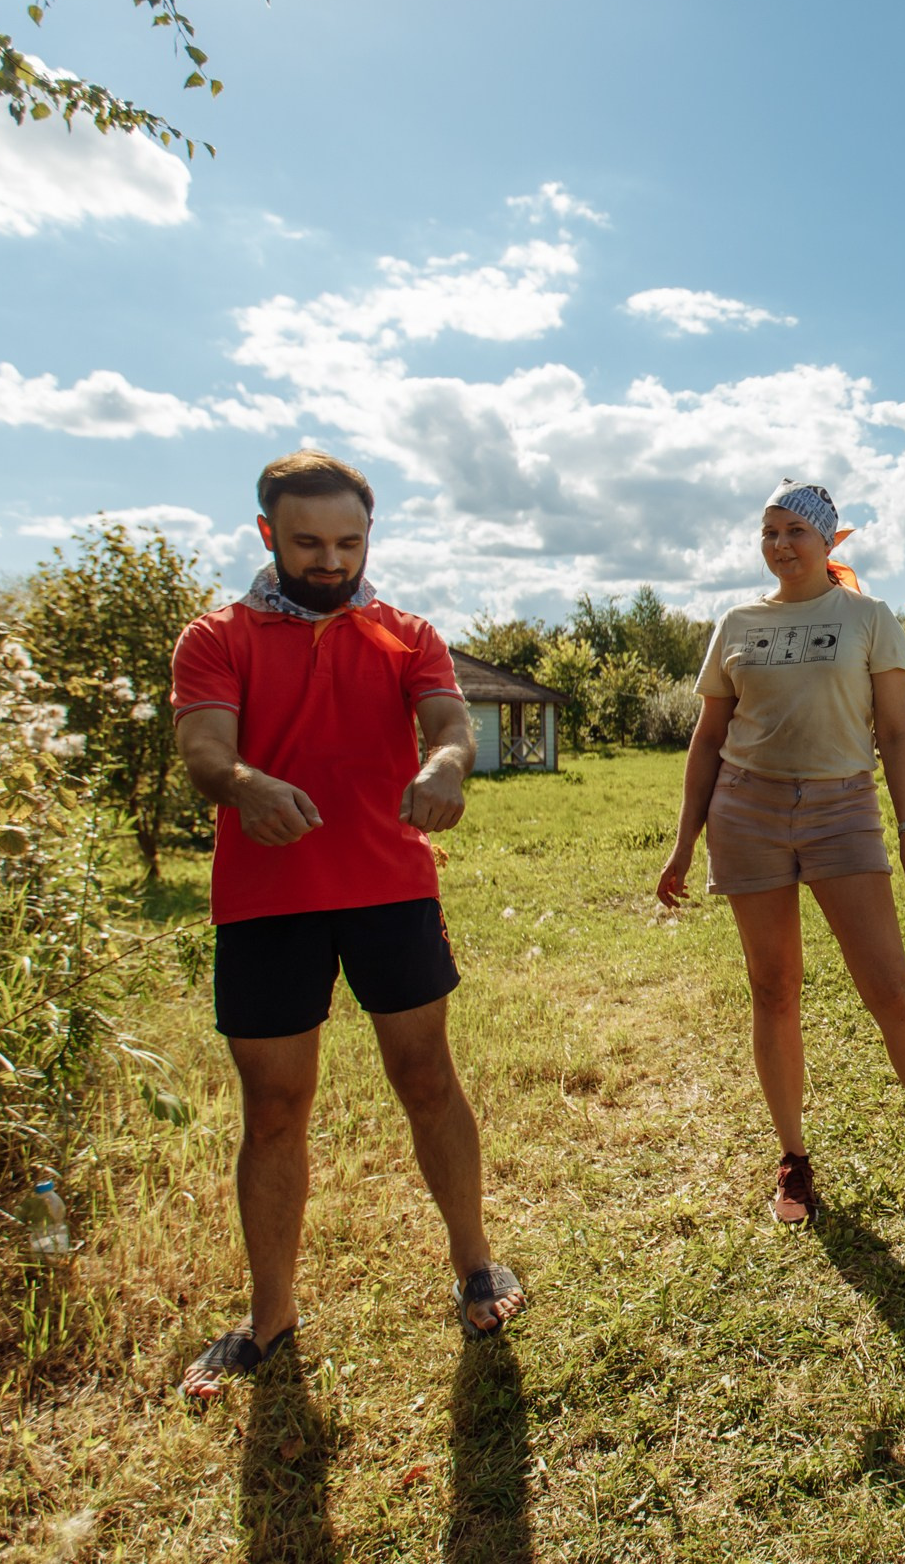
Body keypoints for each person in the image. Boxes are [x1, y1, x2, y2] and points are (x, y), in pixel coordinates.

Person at [170, 450, 526, 1401]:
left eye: (349, 542)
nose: (330, 561)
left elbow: (448, 722)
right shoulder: (216, 636)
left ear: (369, 538)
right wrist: (244, 784)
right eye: (308, 542)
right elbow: (205, 749)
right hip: (266, 901)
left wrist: (447, 765)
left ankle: (475, 1264)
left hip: (388, 887)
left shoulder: (405, 632)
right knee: (275, 1107)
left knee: (425, 1076)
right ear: (267, 536)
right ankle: (270, 1313)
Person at [658, 480, 905, 1224]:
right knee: (773, 989)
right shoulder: (736, 622)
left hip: (842, 809)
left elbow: (895, 733)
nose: (779, 545)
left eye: (794, 531)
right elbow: (706, 740)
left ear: (829, 541)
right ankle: (794, 1161)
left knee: (893, 991)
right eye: (768, 531)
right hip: (748, 810)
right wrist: (683, 842)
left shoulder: (868, 617)